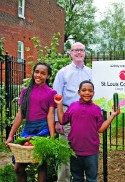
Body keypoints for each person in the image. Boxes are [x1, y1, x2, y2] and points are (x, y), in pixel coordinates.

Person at [54, 80, 120, 182]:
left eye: (90, 91)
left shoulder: (96, 109)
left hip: (91, 151)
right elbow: (62, 120)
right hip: (75, 150)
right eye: (84, 90)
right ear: (78, 92)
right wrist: (59, 104)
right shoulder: (73, 106)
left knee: (92, 178)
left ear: (93, 93)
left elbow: (101, 129)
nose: (87, 93)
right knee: (77, 178)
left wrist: (112, 116)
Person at [5, 62, 56, 182]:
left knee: (41, 165)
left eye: (43, 73)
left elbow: (50, 115)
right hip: (28, 129)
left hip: (43, 129)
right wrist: (11, 135)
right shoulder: (25, 91)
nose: (39, 75)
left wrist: (52, 136)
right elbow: (20, 115)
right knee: (18, 167)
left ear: (48, 76)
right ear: (33, 73)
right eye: (37, 72)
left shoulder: (51, 93)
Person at [53, 42, 92, 182]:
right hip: (67, 113)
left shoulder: (90, 72)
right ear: (70, 53)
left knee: (84, 150)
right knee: (65, 152)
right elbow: (56, 97)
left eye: (81, 50)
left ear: (85, 53)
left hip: (86, 116)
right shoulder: (63, 73)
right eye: (76, 50)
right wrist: (57, 120)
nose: (79, 53)